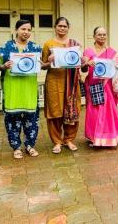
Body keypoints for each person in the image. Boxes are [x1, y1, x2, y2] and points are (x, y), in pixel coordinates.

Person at [0, 19, 41, 159]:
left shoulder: (35, 48)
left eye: (29, 30)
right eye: (23, 29)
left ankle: (30, 145)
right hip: (12, 89)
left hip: (29, 89)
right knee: (12, 120)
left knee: (32, 119)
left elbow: (42, 65)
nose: (26, 32)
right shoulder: (7, 47)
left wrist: (49, 61)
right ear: (16, 30)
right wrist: (4, 66)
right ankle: (16, 147)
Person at [42, 17, 82, 154]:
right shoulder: (48, 44)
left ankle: (69, 140)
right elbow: (43, 66)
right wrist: (49, 61)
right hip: (54, 82)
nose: (62, 28)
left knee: (72, 109)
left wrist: (83, 59)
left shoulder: (75, 44)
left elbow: (80, 64)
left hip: (71, 83)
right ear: (55, 27)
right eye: (60, 26)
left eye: (65, 26)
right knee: (55, 112)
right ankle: (57, 142)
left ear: (68, 28)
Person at [83, 27, 118, 147]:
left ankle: (109, 137)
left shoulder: (112, 52)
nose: (102, 36)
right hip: (93, 85)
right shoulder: (88, 51)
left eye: (104, 34)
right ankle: (94, 137)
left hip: (107, 85)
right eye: (99, 34)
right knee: (94, 111)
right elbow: (83, 67)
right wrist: (86, 63)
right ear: (94, 36)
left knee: (107, 111)